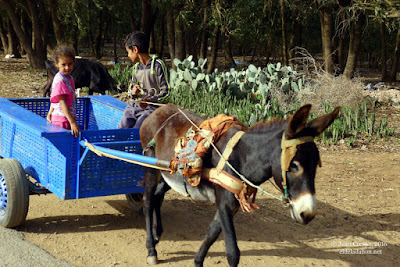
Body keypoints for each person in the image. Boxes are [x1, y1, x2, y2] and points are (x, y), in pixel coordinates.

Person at [118, 31, 170, 129]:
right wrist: (133, 92)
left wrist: (149, 100)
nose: (128, 55)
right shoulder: (136, 68)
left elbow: (167, 94)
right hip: (137, 106)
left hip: (153, 109)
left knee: (139, 128)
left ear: (135, 49)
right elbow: (131, 92)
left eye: (128, 52)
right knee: (123, 124)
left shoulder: (158, 65)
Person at [46, 46, 81, 138]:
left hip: (65, 118)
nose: (67, 67)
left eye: (70, 64)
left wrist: (50, 111)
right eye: (63, 64)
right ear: (56, 64)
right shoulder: (60, 80)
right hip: (62, 120)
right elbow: (62, 102)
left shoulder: (68, 78)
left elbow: (55, 98)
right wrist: (72, 122)